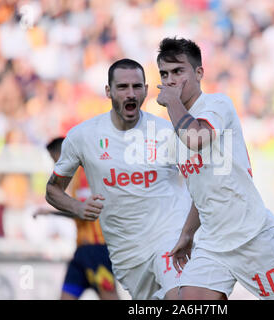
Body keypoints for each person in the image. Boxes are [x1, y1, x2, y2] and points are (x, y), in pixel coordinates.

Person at [156, 37, 274, 300]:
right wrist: (188, 234)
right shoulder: (175, 135)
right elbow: (202, 191)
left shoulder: (217, 104)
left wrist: (172, 103)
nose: (170, 80)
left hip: (252, 236)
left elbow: (196, 137)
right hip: (213, 244)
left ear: (199, 73)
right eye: (164, 74)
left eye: (178, 71)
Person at [45, 59, 191, 300]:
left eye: (137, 87)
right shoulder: (83, 137)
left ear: (145, 89)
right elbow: (53, 190)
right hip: (125, 255)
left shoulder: (167, 133)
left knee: (177, 297)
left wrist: (190, 232)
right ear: (108, 91)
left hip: (169, 240)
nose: (131, 93)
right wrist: (77, 207)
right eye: (123, 87)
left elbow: (201, 181)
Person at [35, 137, 119, 300]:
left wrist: (52, 213)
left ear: (61, 154)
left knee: (109, 296)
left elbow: (86, 211)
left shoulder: (85, 175)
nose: (55, 166)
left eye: (54, 160)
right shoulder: (74, 179)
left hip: (97, 249)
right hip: (81, 250)